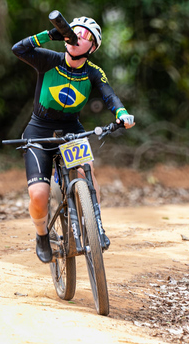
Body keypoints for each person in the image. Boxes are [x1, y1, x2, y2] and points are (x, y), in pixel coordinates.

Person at [12, 16, 135, 263]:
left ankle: (95, 225)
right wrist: (50, 34)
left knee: (86, 174)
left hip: (72, 130)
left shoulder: (93, 72)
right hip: (40, 130)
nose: (78, 37)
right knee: (38, 195)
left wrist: (122, 114)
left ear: (93, 48)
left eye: (86, 36)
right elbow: (19, 49)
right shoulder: (50, 60)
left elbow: (110, 96)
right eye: (75, 32)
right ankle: (42, 234)